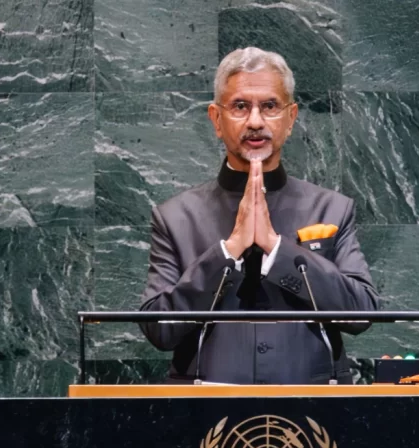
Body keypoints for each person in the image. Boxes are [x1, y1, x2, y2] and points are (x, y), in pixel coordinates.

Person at [138, 46, 379, 384]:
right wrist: (229, 250)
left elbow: (362, 313)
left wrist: (277, 249)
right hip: (205, 407)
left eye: (269, 106)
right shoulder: (175, 217)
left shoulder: (333, 209)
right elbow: (159, 329)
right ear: (216, 119)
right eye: (240, 106)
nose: (255, 121)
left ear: (290, 119)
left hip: (314, 404)